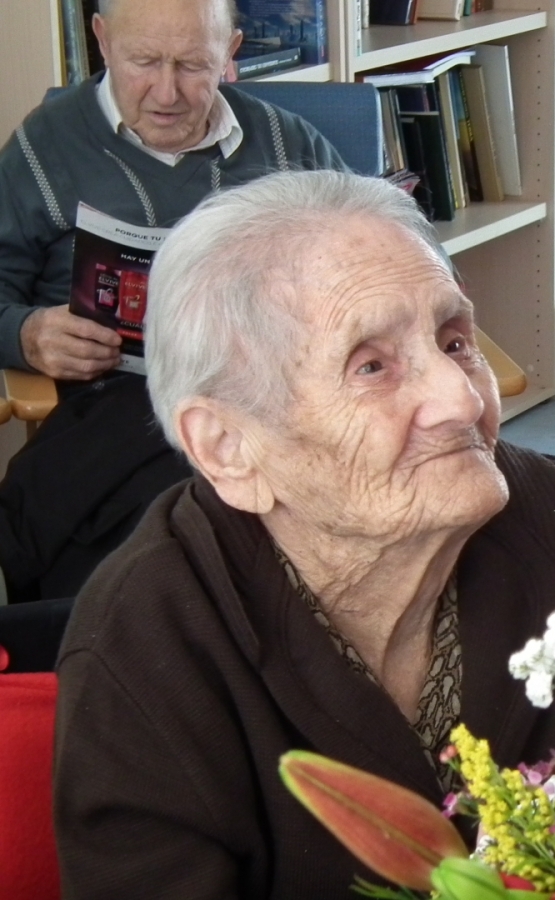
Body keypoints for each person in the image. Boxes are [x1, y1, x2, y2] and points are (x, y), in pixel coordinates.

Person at [52, 170, 555, 897]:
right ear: (229, 447)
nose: (461, 398)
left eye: (455, 341)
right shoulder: (150, 641)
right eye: (372, 366)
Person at [0, 0, 346, 602]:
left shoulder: (289, 146)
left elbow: (398, 253)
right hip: (116, 411)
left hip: (272, 403)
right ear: (102, 41)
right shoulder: (44, 147)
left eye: (192, 65)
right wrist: (26, 334)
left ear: (231, 54)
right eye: (144, 62)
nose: (167, 91)